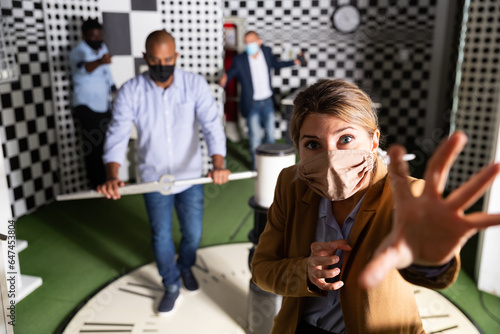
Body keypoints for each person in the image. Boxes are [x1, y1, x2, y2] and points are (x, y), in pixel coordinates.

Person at [251, 79, 500, 334]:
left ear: (373, 141)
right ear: (298, 148)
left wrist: (432, 259)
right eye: (313, 145)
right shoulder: (290, 184)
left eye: (345, 138)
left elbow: (428, 270)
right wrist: (305, 272)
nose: (331, 158)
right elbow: (262, 269)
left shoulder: (408, 196)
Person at [97, 29, 230, 315]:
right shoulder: (131, 90)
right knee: (161, 236)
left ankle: (185, 268)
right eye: (155, 59)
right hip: (152, 179)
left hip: (191, 175)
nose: (161, 65)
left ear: (176, 57)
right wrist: (112, 174)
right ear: (145, 58)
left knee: (192, 234)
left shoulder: (194, 85)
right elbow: (117, 135)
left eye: (168, 59)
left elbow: (211, 126)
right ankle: (170, 283)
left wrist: (218, 165)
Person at [219, 30, 304, 167]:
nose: (248, 46)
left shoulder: (266, 52)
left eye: (251, 42)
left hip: (268, 100)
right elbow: (231, 73)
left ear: (259, 42)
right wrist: (225, 78)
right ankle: (257, 166)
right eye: (246, 43)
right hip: (251, 102)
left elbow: (277, 64)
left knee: (270, 133)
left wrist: (294, 61)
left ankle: (269, 163)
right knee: (255, 136)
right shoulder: (240, 59)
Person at [70, 18, 116, 188]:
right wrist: (100, 61)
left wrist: (114, 90)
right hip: (86, 106)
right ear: (84, 36)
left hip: (104, 105)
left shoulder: (103, 49)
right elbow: (84, 68)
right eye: (92, 36)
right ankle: (96, 185)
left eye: (99, 36)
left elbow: (107, 73)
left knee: (106, 144)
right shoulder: (77, 51)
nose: (97, 40)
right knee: (92, 148)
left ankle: (107, 182)